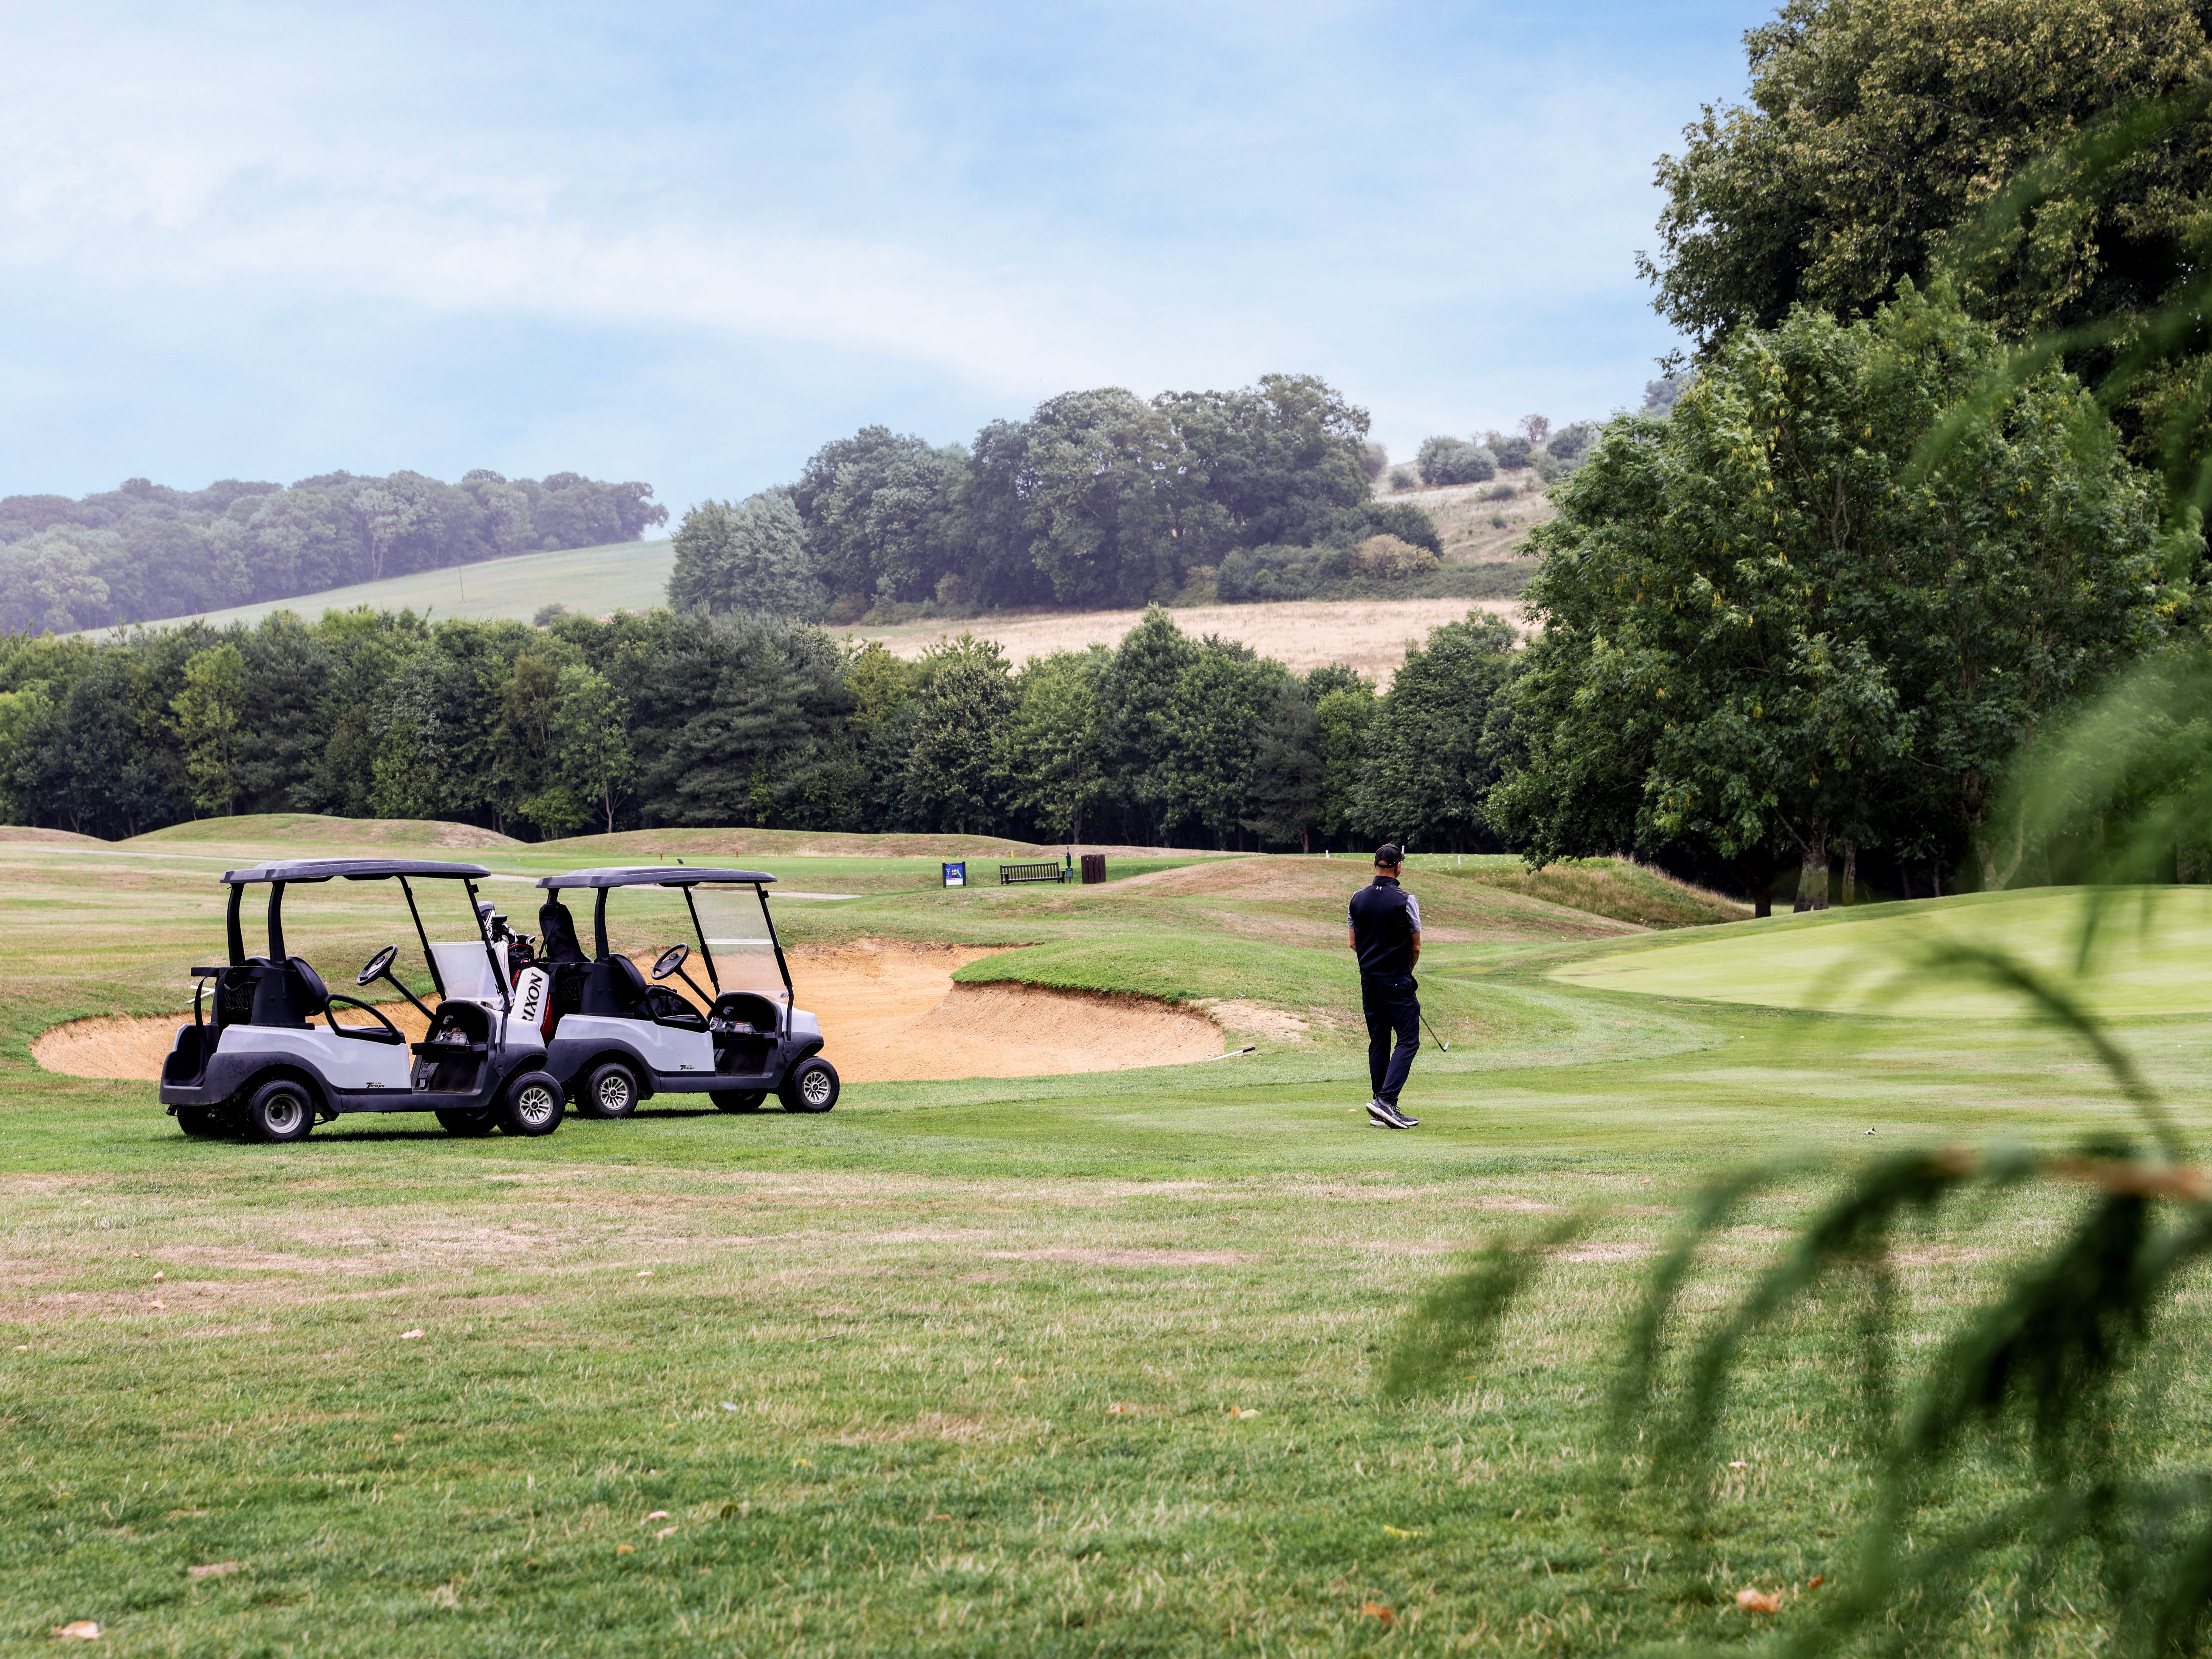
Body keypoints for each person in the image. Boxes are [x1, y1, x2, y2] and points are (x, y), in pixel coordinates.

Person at [1347, 843, 1422, 1129]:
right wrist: (1405, 973)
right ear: (1398, 867)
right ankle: (1387, 1101)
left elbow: (1354, 943)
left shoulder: (1357, 898)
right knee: (1409, 1039)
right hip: (1396, 980)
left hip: (1369, 981)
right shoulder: (1406, 900)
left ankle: (1381, 1105)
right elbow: (1415, 947)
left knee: (1379, 1041)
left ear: (1375, 866)